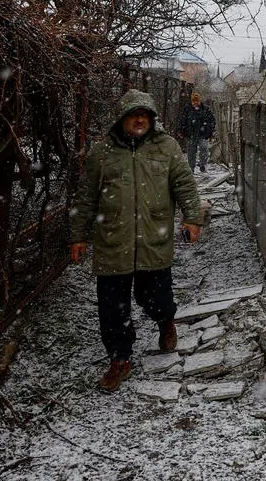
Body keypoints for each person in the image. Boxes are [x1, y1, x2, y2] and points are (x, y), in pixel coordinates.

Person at [68, 89, 204, 392]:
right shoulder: (101, 153)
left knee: (155, 298)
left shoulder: (166, 147)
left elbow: (184, 183)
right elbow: (86, 196)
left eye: (145, 114)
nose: (140, 119)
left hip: (153, 239)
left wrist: (192, 217)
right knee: (112, 308)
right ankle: (120, 359)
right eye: (133, 114)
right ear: (122, 119)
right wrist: (78, 235)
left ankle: (165, 322)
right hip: (112, 242)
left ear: (152, 119)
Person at [179, 91, 216, 173]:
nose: (195, 103)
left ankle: (202, 165)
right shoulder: (187, 109)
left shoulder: (206, 109)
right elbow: (182, 120)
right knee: (191, 152)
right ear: (191, 101)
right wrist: (182, 130)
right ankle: (191, 168)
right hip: (190, 134)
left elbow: (212, 120)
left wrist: (210, 130)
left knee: (204, 148)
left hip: (203, 134)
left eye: (197, 101)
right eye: (193, 101)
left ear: (200, 101)